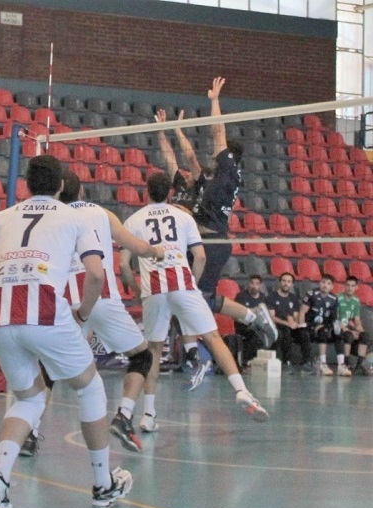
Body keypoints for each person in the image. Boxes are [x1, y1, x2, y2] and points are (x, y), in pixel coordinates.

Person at [0, 154, 133, 508]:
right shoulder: (76, 216)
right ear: (60, 187)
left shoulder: (0, 216)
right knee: (90, 386)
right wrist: (83, 312)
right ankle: (103, 484)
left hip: (0, 313)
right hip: (44, 309)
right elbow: (96, 275)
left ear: (25, 186)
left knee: (29, 398)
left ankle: (0, 475)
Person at [120, 172, 269, 434]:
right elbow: (199, 257)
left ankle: (148, 414)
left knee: (153, 350)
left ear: (146, 192)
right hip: (181, 283)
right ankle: (242, 391)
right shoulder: (183, 216)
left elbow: (123, 265)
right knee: (212, 337)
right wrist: (194, 285)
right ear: (170, 193)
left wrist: (138, 290)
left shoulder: (133, 220)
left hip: (153, 288)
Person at [58, 171, 164, 453]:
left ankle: (30, 433)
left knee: (47, 368)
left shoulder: (54, 217)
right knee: (143, 356)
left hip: (66, 302)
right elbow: (137, 247)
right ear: (81, 192)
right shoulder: (102, 214)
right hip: (101, 297)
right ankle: (124, 416)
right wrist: (157, 252)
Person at [189, 77, 277, 353]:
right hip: (204, 241)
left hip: (213, 244)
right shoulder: (222, 175)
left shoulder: (227, 168)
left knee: (198, 297)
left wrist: (214, 100)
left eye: (221, 151)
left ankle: (249, 319)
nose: (216, 153)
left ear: (229, 156)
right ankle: (251, 317)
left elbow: (217, 132)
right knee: (200, 296)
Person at [266, 272, 311, 374]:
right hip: (277, 325)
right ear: (280, 282)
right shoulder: (272, 297)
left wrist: (295, 323)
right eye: (284, 281)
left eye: (289, 281)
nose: (286, 283)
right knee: (286, 332)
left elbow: (295, 315)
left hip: (290, 325)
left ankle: (306, 362)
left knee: (304, 333)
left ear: (292, 284)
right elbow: (272, 317)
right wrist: (288, 323)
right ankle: (287, 362)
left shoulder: (293, 298)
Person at [300, 274, 344, 376]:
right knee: (323, 332)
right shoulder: (311, 294)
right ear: (320, 283)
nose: (325, 285)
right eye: (323, 282)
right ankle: (323, 363)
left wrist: (336, 326)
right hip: (310, 324)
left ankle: (341, 365)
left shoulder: (333, 298)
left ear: (332, 286)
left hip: (325, 325)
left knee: (338, 332)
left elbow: (334, 318)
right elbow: (302, 312)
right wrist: (302, 326)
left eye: (328, 283)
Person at [337, 276, 370, 375]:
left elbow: (356, 320)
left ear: (356, 287)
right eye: (348, 285)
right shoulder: (338, 298)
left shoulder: (356, 301)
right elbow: (336, 319)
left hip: (349, 327)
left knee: (365, 335)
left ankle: (360, 365)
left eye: (352, 286)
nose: (350, 288)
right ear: (344, 286)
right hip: (338, 327)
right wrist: (351, 331)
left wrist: (360, 331)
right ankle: (347, 364)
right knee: (348, 335)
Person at [234, 275, 266, 365]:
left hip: (258, 325)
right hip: (242, 325)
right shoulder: (241, 296)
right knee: (255, 333)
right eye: (252, 283)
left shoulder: (263, 298)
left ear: (260, 285)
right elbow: (235, 316)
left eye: (257, 283)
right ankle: (247, 360)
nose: (254, 286)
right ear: (248, 284)